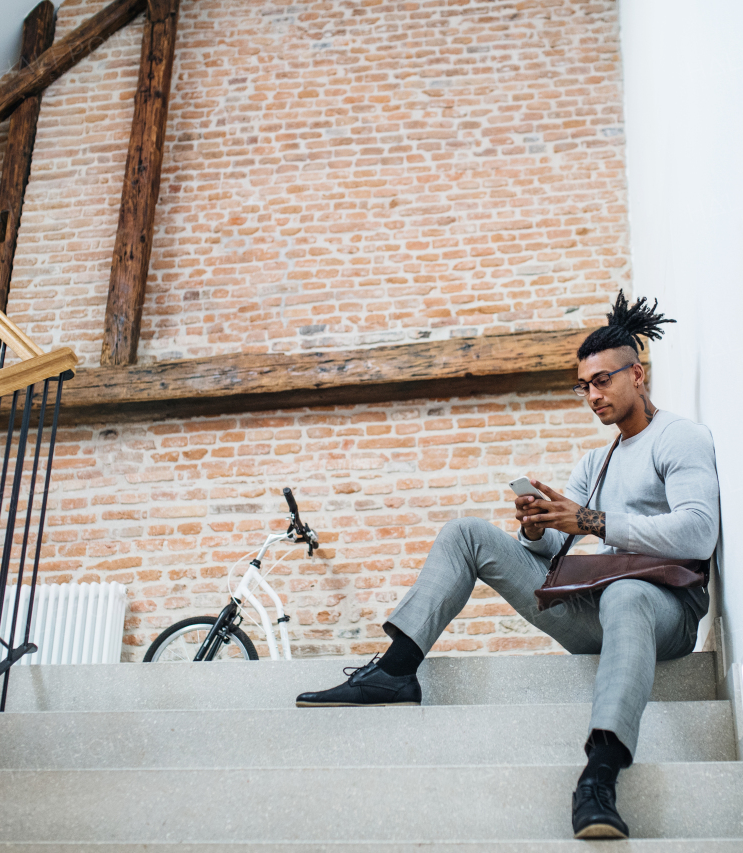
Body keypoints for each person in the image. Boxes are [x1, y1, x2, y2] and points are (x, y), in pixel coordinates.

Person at [295, 291, 720, 840]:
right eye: (582, 386)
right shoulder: (597, 459)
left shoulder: (680, 438)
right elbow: (551, 551)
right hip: (596, 609)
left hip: (664, 613)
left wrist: (590, 520)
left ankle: (600, 775)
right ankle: (396, 670)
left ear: (636, 375)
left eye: (602, 381)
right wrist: (537, 527)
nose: (591, 395)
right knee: (466, 532)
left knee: (627, 594)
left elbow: (698, 531)